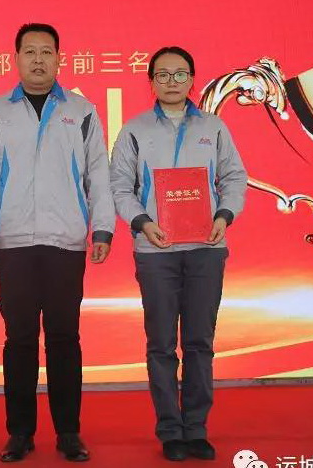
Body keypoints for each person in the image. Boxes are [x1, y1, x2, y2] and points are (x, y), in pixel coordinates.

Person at [0, 23, 116, 463]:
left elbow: (98, 173)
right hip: (13, 241)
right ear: (15, 58)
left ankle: (68, 432)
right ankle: (19, 433)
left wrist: (103, 228)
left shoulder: (82, 110)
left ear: (59, 58)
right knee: (18, 339)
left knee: (63, 338)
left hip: (65, 241)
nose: (38, 60)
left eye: (47, 52)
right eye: (30, 51)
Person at [109, 46, 247, 461]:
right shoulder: (134, 130)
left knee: (200, 341)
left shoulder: (214, 127)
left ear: (192, 79)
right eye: (163, 75)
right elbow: (120, 186)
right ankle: (170, 430)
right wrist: (142, 222)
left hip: (206, 249)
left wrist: (224, 214)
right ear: (151, 81)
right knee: (161, 344)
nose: (172, 81)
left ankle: (197, 428)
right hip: (156, 251)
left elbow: (234, 177)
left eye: (180, 74)